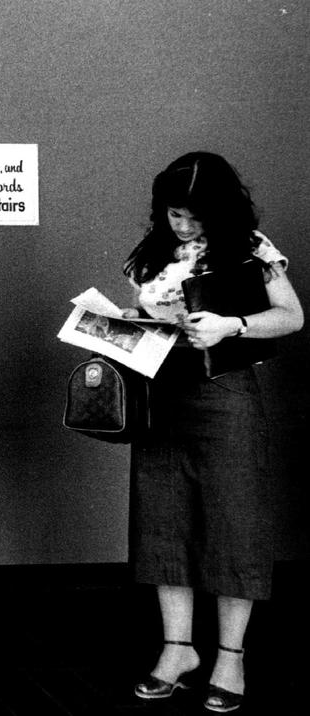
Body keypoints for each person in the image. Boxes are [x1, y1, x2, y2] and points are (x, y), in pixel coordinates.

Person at [121, 152, 303, 712]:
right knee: (163, 521)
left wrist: (233, 326)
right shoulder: (153, 253)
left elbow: (292, 317)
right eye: (174, 214)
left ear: (220, 212)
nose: (181, 226)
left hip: (225, 399)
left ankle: (230, 657)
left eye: (194, 218)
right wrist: (123, 325)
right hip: (162, 396)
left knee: (234, 522)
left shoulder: (252, 249)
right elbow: (144, 313)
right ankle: (178, 651)